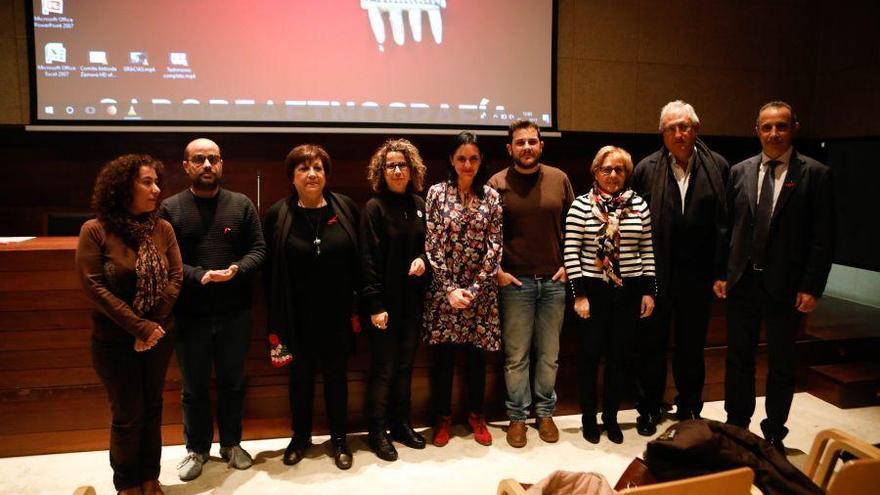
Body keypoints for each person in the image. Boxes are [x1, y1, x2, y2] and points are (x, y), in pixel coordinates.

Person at [716, 101, 835, 453]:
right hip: (742, 283)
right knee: (738, 359)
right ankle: (737, 426)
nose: (774, 133)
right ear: (757, 130)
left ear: (793, 128)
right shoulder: (739, 171)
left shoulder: (815, 174)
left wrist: (812, 286)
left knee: (782, 363)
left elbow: (824, 237)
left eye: (781, 126)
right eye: (767, 127)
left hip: (786, 287)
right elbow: (726, 229)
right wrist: (721, 272)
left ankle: (773, 432)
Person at [159, 138, 266, 480]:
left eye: (213, 159)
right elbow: (165, 260)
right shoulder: (170, 209)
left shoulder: (241, 204)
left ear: (222, 164)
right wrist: (199, 275)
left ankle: (232, 443)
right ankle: (197, 449)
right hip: (191, 315)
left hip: (236, 313)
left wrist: (237, 269)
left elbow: (258, 249)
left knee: (233, 382)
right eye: (199, 159)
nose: (207, 165)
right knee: (194, 387)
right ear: (186, 166)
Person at [75, 154, 182, 495]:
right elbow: (95, 287)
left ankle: (150, 479)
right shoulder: (95, 231)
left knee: (152, 409)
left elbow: (176, 277)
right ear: (123, 187)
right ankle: (127, 485)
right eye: (146, 182)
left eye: (156, 182)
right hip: (114, 341)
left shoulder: (162, 228)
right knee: (128, 415)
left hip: (159, 335)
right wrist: (140, 328)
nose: (156, 189)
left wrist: (153, 326)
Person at [630, 101, 730, 436]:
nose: (679, 133)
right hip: (656, 275)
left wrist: (720, 271)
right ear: (663, 133)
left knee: (691, 347)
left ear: (696, 128)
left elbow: (724, 225)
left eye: (684, 126)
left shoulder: (718, 167)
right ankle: (649, 408)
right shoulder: (645, 169)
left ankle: (689, 407)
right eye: (671, 128)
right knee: (651, 346)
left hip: (697, 277)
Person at [263, 144, 361, 470]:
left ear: (326, 174)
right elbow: (269, 271)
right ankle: (300, 436)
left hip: (338, 315)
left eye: (318, 168)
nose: (311, 174)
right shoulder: (278, 214)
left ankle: (339, 439)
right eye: (303, 168)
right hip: (297, 317)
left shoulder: (345, 208)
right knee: (300, 381)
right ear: (292, 176)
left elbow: (361, 261)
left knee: (337, 379)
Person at [488, 119, 574, 448]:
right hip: (515, 284)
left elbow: (575, 225)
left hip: (554, 281)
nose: (527, 147)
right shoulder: (496, 183)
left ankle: (545, 412)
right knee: (516, 356)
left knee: (549, 354)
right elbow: (488, 235)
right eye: (520, 142)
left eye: (532, 142)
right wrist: (498, 271)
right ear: (510, 148)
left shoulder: (560, 179)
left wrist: (569, 265)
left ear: (541, 145)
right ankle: (517, 417)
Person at [563, 146, 656, 444]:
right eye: (607, 169)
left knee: (619, 358)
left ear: (627, 174)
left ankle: (611, 417)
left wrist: (649, 292)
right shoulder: (580, 205)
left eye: (619, 170)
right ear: (595, 172)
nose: (613, 175)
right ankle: (589, 417)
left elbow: (647, 249)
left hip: (628, 292)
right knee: (590, 358)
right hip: (594, 292)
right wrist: (579, 295)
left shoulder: (639, 205)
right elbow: (571, 252)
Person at [423, 131, 503, 447]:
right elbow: (432, 243)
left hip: (480, 294)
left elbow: (495, 244)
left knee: (475, 359)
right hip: (445, 293)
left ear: (481, 161)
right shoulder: (436, 194)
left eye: (473, 158)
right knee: (442, 359)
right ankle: (442, 418)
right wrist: (450, 289)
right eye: (461, 158)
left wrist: (474, 288)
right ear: (451, 161)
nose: (467, 164)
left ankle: (476, 415)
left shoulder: (492, 197)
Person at [360, 138, 430, 461]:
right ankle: (377, 431)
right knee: (383, 370)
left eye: (402, 165)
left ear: (411, 168)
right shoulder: (374, 208)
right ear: (382, 171)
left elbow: (429, 248)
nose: (397, 170)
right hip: (383, 308)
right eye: (391, 165)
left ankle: (401, 424)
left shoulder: (419, 203)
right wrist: (375, 305)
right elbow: (368, 261)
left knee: (404, 368)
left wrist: (423, 260)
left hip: (412, 305)